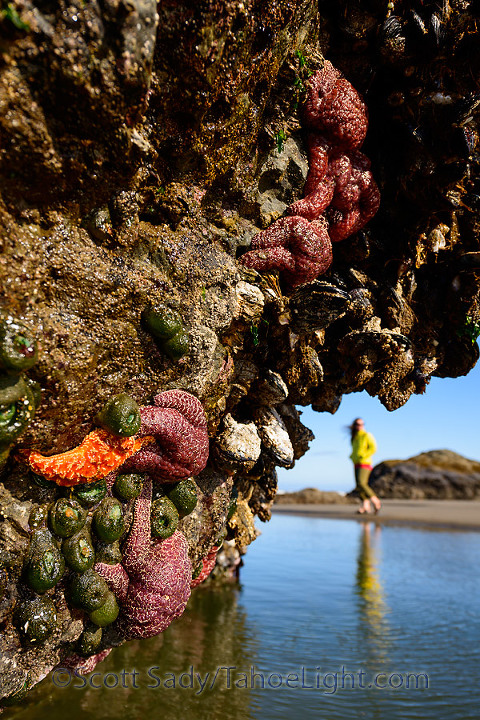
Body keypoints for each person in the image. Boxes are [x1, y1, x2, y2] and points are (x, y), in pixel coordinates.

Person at [349, 418, 381, 514]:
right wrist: (352, 456)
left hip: (365, 462)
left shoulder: (367, 435)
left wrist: (363, 455)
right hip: (356, 462)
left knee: (363, 483)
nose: (360, 426)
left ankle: (375, 501)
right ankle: (365, 506)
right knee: (359, 485)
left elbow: (373, 448)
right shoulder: (354, 437)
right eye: (358, 424)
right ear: (354, 425)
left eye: (362, 424)